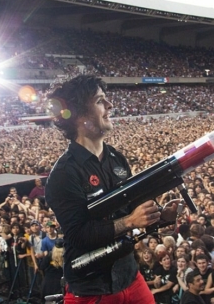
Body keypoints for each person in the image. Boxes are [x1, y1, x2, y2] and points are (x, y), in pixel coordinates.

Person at [45, 75, 178, 303]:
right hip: (92, 289)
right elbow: (78, 236)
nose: (110, 106)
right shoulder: (64, 174)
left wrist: (158, 217)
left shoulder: (117, 159)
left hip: (130, 277)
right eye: (100, 101)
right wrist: (129, 222)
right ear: (79, 114)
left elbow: (132, 211)